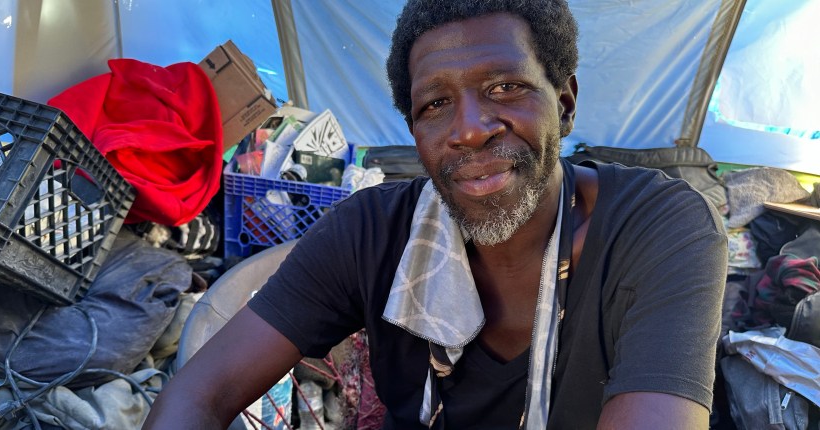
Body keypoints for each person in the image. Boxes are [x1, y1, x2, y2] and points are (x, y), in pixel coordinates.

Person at [144, 0, 728, 428]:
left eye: (504, 87)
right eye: (436, 104)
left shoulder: (660, 230)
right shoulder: (370, 234)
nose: (469, 129)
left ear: (565, 103)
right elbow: (199, 394)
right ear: (416, 131)